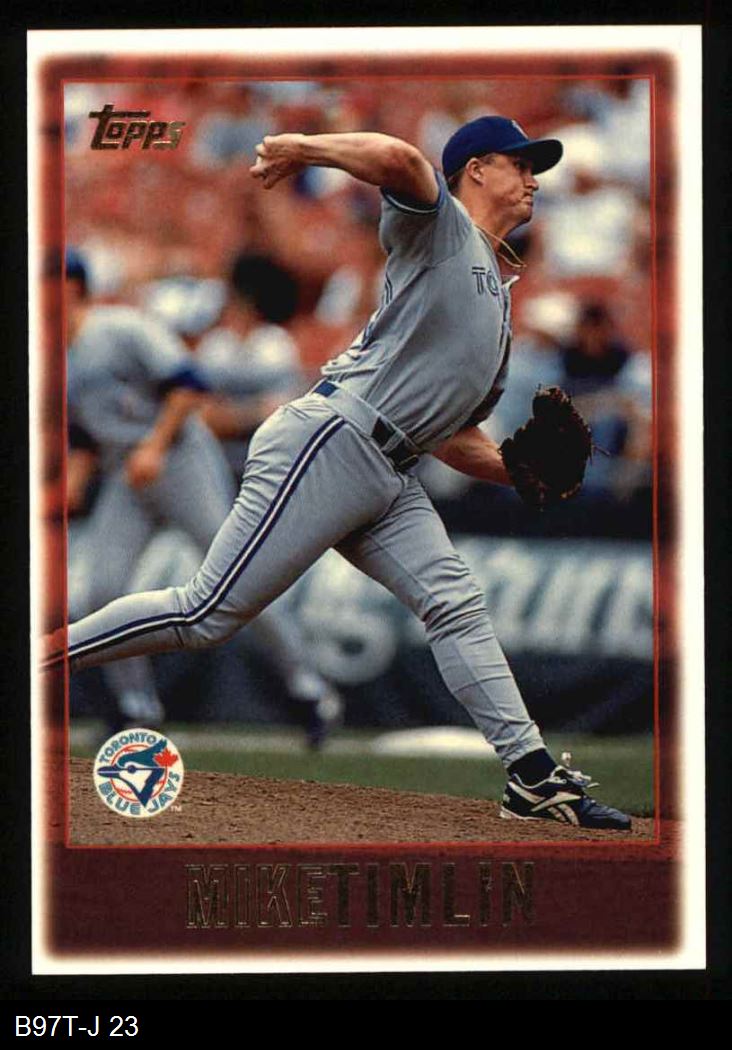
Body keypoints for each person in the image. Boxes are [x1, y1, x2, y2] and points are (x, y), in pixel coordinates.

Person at [49, 117, 632, 829]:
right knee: (207, 613)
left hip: (391, 473)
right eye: (521, 163)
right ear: (477, 169)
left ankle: (533, 777)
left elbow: (451, 437)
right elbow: (399, 158)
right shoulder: (444, 230)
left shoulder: (498, 306)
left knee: (455, 603)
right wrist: (305, 148)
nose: (534, 179)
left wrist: (520, 472)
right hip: (332, 440)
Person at [63, 250, 341, 747]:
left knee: (238, 579)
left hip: (181, 460)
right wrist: (74, 482)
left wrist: (154, 445)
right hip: (129, 472)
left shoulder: (120, 328)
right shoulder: (54, 354)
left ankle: (308, 687)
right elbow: (85, 431)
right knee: (102, 590)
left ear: (70, 287)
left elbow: (190, 386)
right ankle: (136, 707)